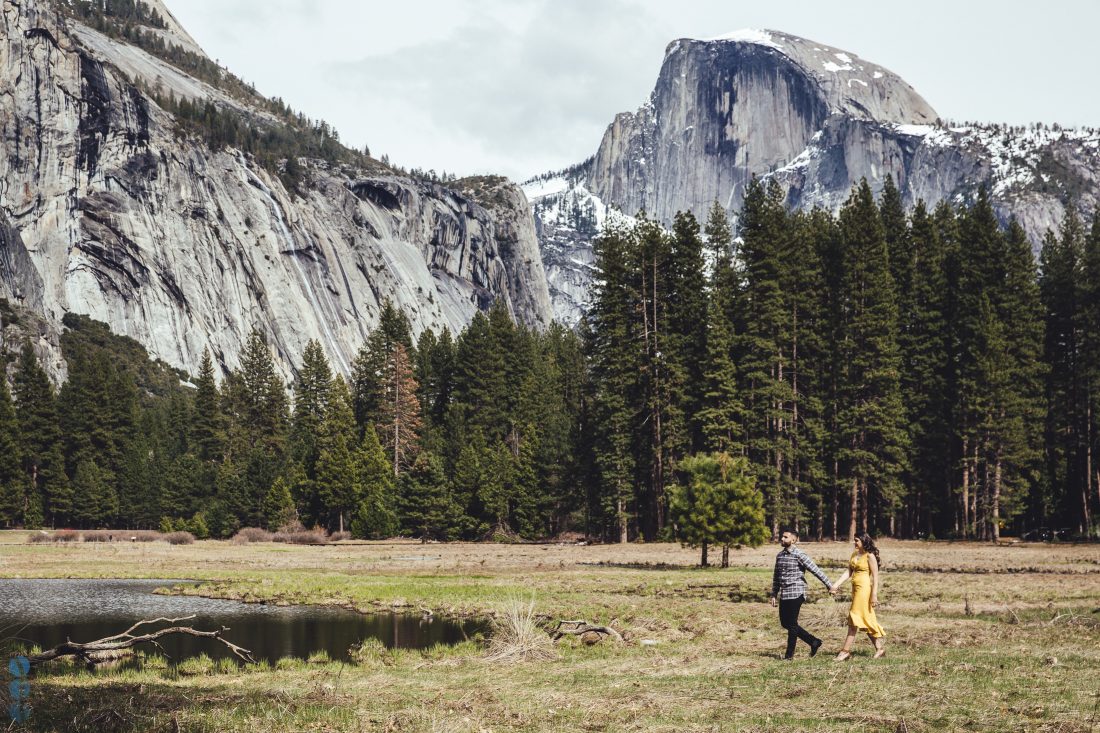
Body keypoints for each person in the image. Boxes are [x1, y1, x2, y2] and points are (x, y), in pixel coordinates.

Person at [769, 529, 833, 659]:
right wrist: (774, 594)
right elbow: (776, 576)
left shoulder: (799, 555)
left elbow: (816, 570)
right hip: (785, 593)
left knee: (792, 624)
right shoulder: (780, 556)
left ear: (793, 540)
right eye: (782, 536)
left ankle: (788, 656)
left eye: (785, 537)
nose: (782, 539)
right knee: (785, 623)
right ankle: (813, 642)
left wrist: (829, 585)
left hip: (797, 592)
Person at [829, 533, 886, 659]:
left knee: (853, 618)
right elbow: (849, 571)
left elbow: (875, 577)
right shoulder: (854, 554)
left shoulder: (870, 556)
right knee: (865, 619)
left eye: (857, 541)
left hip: (864, 590)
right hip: (855, 589)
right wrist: (836, 585)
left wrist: (874, 595)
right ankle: (880, 649)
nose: (854, 543)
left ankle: (845, 651)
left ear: (864, 541)